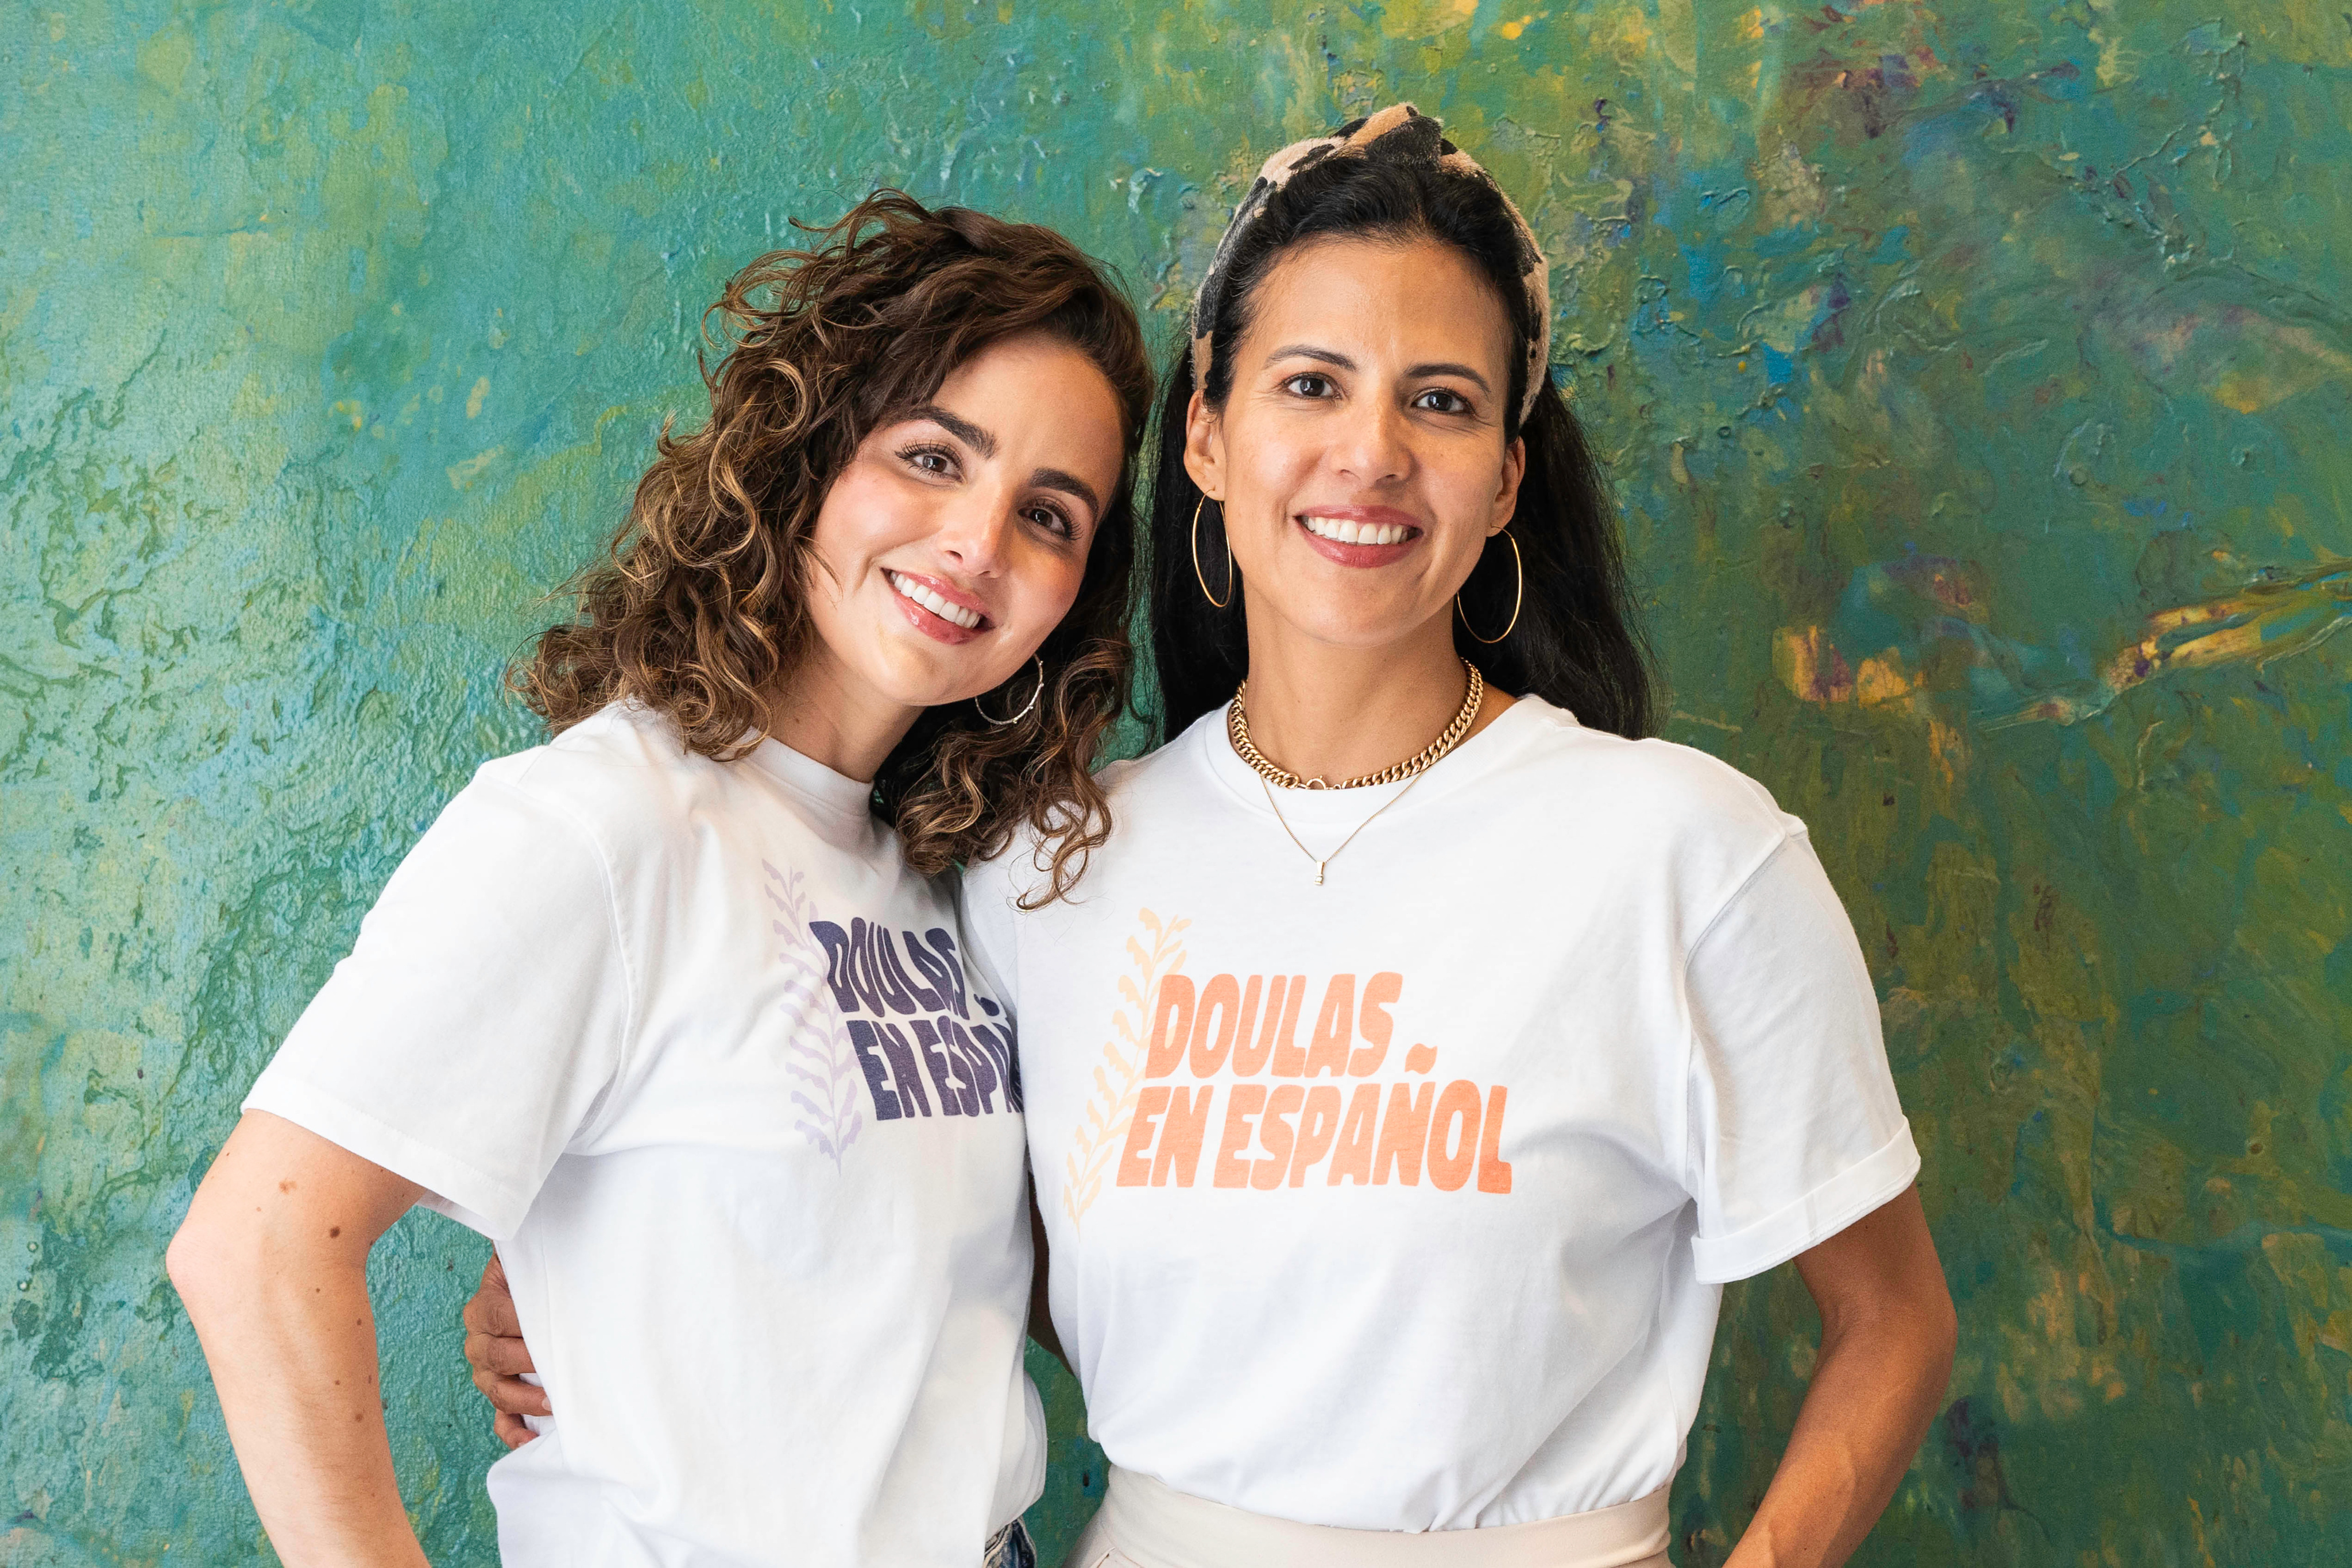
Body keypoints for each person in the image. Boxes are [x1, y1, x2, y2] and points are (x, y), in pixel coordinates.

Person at [470, 107, 1958, 1567]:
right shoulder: (1043, 859)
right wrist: (582, 1264)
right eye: (1312, 383)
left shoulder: (1684, 852)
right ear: (1206, 434)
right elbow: (878, 1167)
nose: (1370, 452)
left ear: (1507, 474)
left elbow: (1894, 1324)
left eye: (1440, 401)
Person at [166, 191, 1153, 1568]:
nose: (977, 544)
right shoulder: (601, 825)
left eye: (1048, 514)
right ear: (811, 453)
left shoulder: (939, 872)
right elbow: (255, 1246)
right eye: (932, 457)